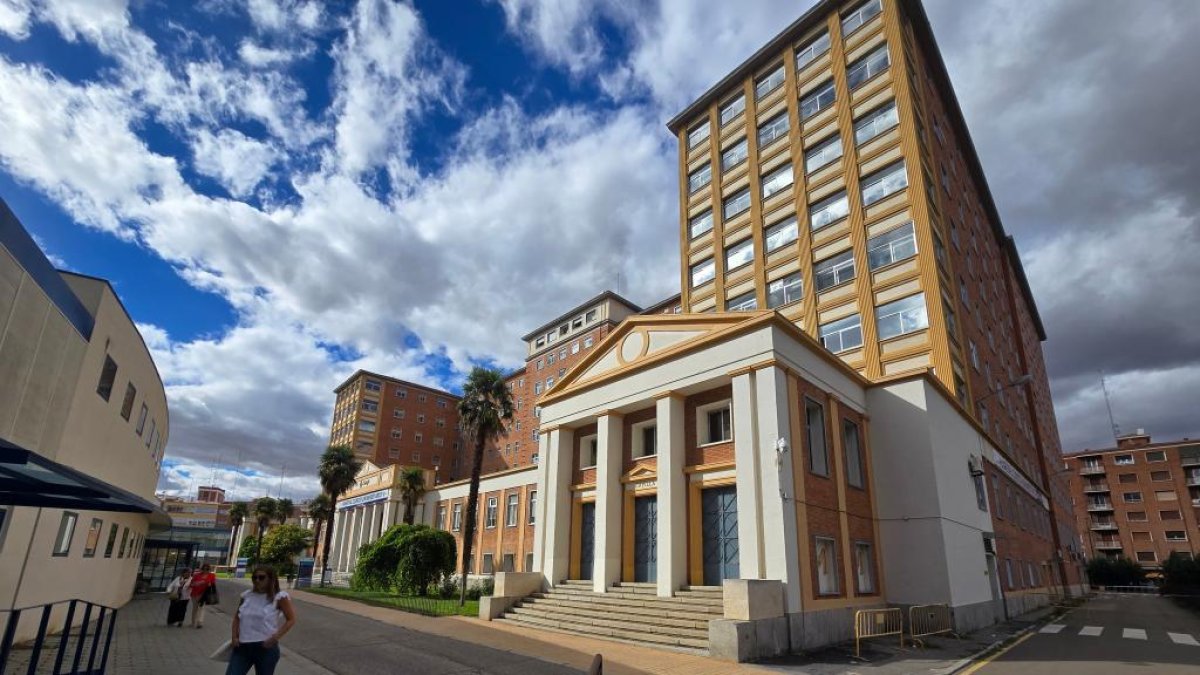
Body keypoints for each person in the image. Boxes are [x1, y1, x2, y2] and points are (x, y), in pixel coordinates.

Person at [226, 566, 296, 675]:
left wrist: (274, 638)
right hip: (242, 647)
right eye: (254, 577)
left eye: (261, 577)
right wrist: (234, 637)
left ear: (271, 579)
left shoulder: (279, 597)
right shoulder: (247, 595)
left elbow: (291, 619)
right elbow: (237, 617)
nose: (257, 580)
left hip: (265, 648)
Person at [189, 563, 217, 628]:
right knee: (195, 608)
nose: (205, 570)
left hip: (204, 594)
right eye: (204, 568)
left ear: (209, 569)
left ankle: (199, 622)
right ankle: (193, 622)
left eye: (207, 569)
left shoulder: (212, 575)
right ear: (202, 569)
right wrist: (196, 584)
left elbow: (213, 585)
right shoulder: (197, 575)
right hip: (195, 594)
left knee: (201, 608)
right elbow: (191, 584)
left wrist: (208, 585)